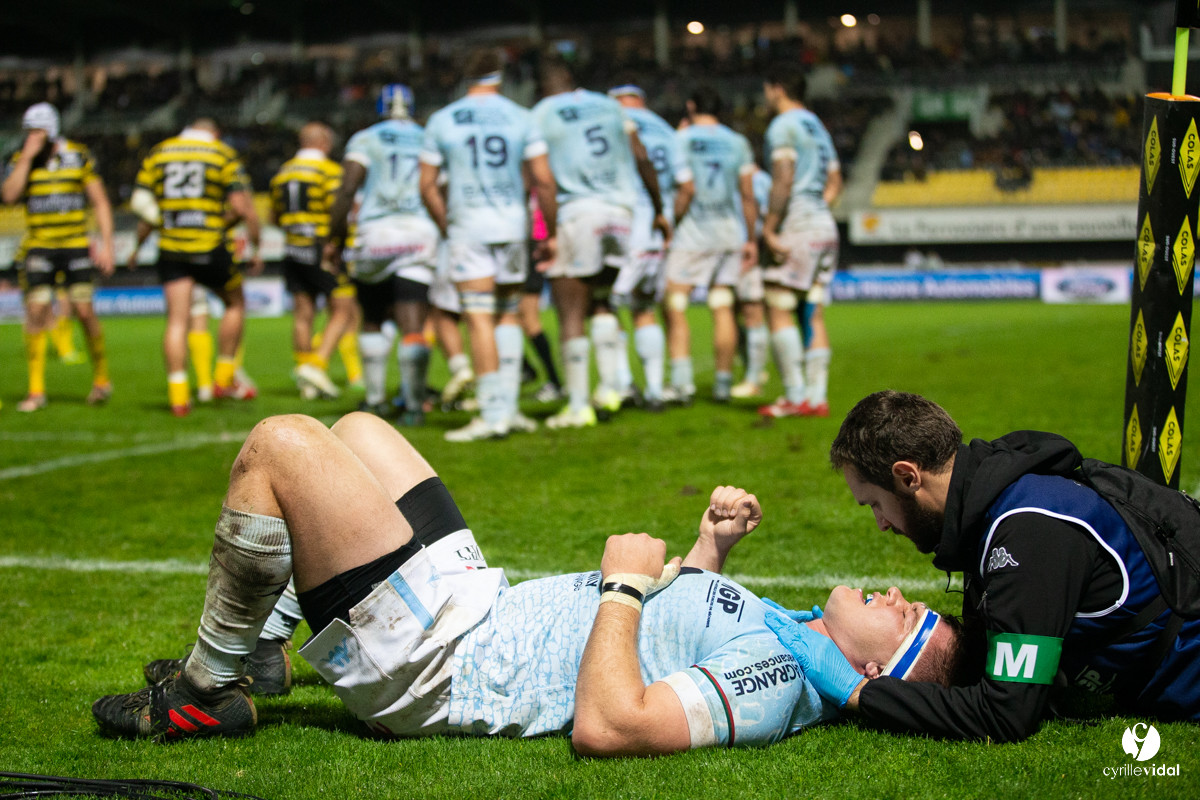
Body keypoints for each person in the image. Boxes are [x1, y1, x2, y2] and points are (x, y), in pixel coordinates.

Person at [91, 408, 964, 751]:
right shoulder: (791, 636)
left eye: (908, 616)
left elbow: (614, 725)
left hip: (440, 662)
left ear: (877, 670)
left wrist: (623, 586)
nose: (898, 595)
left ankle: (204, 691)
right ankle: (268, 652)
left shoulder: (780, 682)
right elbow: (677, 638)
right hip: (481, 607)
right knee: (359, 429)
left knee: (279, 446)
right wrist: (710, 549)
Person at [767, 389, 1200, 743]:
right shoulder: (991, 500)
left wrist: (859, 693)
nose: (881, 523)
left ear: (908, 476)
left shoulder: (1028, 532)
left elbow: (1005, 713)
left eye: (875, 504)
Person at [419, 50, 557, 441]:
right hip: (512, 225)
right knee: (509, 314)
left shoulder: (443, 119)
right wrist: (551, 232)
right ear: (500, 77)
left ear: (466, 77)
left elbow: (426, 185)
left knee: (479, 317)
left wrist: (447, 225)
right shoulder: (521, 116)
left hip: (469, 226)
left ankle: (492, 414)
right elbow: (544, 180)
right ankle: (509, 410)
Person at [530, 55, 668, 429]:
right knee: (602, 302)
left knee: (571, 312)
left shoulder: (541, 113)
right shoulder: (610, 107)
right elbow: (642, 157)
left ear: (541, 87)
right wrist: (658, 210)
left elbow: (542, 178)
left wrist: (548, 233)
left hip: (579, 213)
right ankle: (610, 389)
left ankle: (578, 406)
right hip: (620, 216)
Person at [132, 117, 263, 416]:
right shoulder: (221, 154)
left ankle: (178, 397)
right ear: (215, 133)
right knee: (235, 304)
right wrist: (252, 243)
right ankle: (223, 378)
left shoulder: (159, 153)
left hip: (172, 249)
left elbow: (144, 206)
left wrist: (138, 247)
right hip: (209, 247)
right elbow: (241, 207)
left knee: (177, 321)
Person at [327, 85, 438, 426]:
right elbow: (438, 187)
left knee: (373, 317)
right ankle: (414, 406)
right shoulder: (427, 137)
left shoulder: (365, 138)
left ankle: (375, 401)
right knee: (413, 322)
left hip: (376, 234)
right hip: (419, 232)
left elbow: (348, 188)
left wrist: (334, 239)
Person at [2, 103, 115, 412]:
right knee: (36, 311)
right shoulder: (21, 159)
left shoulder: (78, 156)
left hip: (76, 245)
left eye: (37, 131)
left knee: (84, 312)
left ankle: (101, 380)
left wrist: (107, 244)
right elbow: (9, 196)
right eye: (28, 131)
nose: (31, 137)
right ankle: (36, 391)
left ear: (51, 130)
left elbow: (100, 202)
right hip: (39, 246)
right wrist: (27, 158)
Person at [662, 86, 757, 405]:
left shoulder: (680, 139)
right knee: (722, 306)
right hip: (728, 233)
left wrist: (670, 223)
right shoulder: (738, 142)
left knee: (675, 304)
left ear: (691, 107)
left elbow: (684, 189)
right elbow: (747, 195)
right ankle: (723, 384)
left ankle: (681, 383)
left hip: (693, 234)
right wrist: (751, 238)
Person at [757, 68, 841, 419]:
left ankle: (794, 396)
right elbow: (835, 180)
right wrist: (818, 208)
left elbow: (783, 178)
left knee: (778, 305)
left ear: (777, 88)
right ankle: (817, 398)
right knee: (813, 311)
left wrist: (770, 227)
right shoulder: (817, 126)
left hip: (799, 222)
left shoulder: (783, 125)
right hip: (824, 224)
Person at [606, 82, 693, 413]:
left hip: (624, 227)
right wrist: (669, 219)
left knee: (608, 307)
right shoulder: (667, 131)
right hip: (657, 233)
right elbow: (687, 187)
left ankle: (623, 383)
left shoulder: (612, 123)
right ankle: (655, 390)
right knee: (644, 309)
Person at [269, 121, 354, 401]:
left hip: (293, 249)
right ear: (324, 143)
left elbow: (273, 217)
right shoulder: (329, 171)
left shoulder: (283, 173)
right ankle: (316, 366)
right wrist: (336, 243)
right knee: (343, 310)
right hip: (322, 249)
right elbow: (339, 212)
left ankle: (305, 381)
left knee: (303, 315)